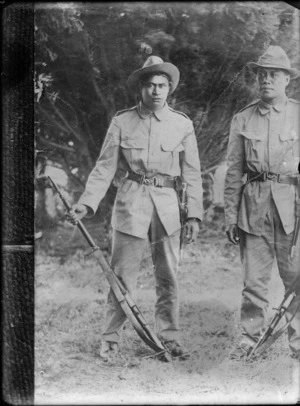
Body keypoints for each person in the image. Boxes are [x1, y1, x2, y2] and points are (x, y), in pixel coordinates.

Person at [67, 56, 203, 360]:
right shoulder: (122, 121)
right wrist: (87, 205)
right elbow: (104, 168)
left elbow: (192, 173)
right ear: (140, 88)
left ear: (169, 89)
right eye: (150, 85)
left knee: (168, 276)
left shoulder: (182, 124)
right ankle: (111, 337)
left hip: (169, 209)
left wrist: (194, 214)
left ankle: (169, 337)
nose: (156, 91)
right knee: (122, 275)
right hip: (131, 204)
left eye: (162, 85)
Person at [224, 45, 300, 361]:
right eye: (262, 74)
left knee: (296, 277)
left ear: (287, 80)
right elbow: (233, 172)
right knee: (253, 283)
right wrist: (230, 216)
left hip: (291, 211)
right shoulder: (243, 119)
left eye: (273, 74)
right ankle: (249, 338)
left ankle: (298, 341)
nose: (266, 80)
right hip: (253, 209)